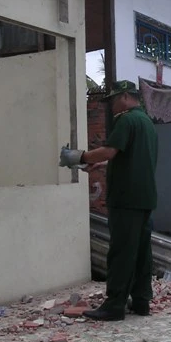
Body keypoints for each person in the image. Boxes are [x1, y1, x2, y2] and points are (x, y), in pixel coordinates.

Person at [59, 80, 158, 321]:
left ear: (125, 96)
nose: (111, 106)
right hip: (144, 198)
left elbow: (110, 150)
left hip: (125, 198)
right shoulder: (146, 122)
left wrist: (80, 156)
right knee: (141, 251)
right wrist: (101, 164)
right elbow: (128, 157)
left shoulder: (126, 120)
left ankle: (114, 305)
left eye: (112, 100)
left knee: (121, 252)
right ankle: (141, 301)